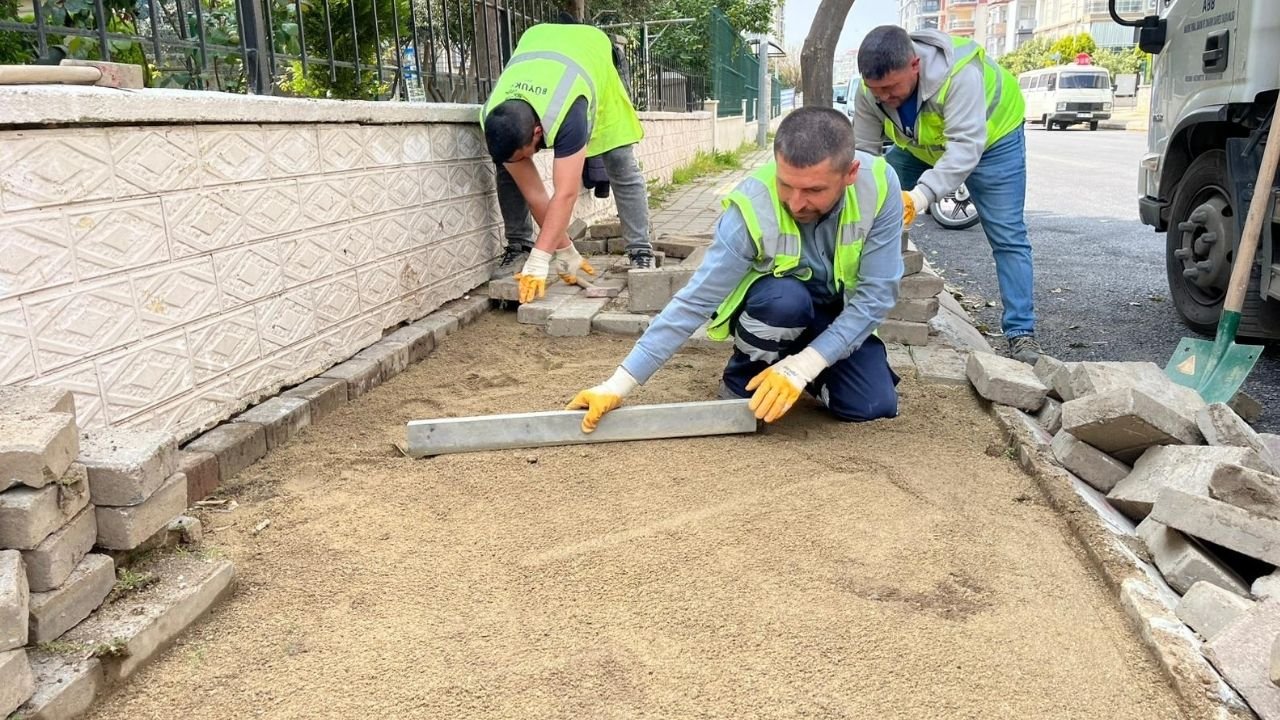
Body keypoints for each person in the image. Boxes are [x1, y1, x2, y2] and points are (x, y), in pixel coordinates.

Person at [566, 107, 904, 432]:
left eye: (814, 190)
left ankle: (801, 369)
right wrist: (617, 384)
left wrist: (805, 366)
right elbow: (694, 302)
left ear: (850, 174)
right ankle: (747, 375)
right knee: (785, 300)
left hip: (832, 315)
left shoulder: (878, 185)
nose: (796, 203)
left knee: (871, 404)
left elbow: (875, 297)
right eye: (786, 184)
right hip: (778, 308)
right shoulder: (751, 207)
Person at [853, 25, 1041, 364]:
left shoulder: (958, 75)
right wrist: (869, 199)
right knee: (866, 201)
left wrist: (920, 197)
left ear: (915, 65)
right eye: (875, 90)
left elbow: (965, 149)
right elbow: (865, 157)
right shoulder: (871, 93)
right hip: (921, 146)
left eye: (891, 88)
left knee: (1007, 234)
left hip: (993, 142)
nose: (884, 98)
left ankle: (1020, 334)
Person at [480, 22, 655, 304]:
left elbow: (565, 194)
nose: (528, 162)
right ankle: (519, 246)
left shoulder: (568, 109)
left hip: (591, 57)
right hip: (539, 42)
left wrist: (540, 261)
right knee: (507, 171)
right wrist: (564, 252)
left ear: (538, 132)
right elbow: (535, 194)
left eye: (527, 154)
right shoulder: (494, 117)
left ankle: (640, 251)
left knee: (620, 161)